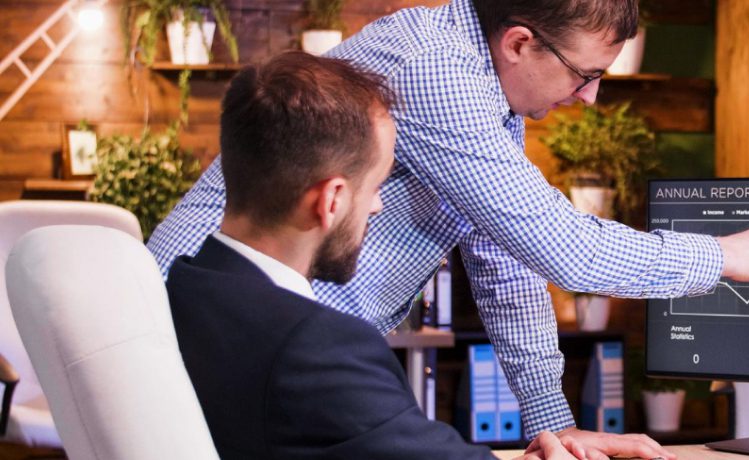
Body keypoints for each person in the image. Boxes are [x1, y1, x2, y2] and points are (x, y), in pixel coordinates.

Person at [147, 0, 749, 453]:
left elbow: (510, 263)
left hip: (246, 330)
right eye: (586, 74)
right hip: (239, 335)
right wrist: (726, 257)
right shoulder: (438, 71)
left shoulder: (484, 93)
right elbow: (565, 249)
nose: (590, 97)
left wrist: (554, 429)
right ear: (520, 42)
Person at [165, 51, 598, 460]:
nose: (377, 206)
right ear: (331, 200)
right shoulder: (319, 348)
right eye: (375, 187)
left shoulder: (181, 290)